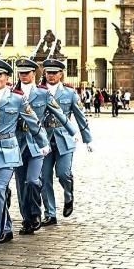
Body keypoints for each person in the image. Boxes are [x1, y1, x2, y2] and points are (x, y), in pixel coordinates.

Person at [0, 59, 46, 248]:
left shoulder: (16, 98)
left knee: (0, 189)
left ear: (7, 77)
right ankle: (6, 227)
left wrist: (43, 143)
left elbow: (33, 122)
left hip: (8, 151)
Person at [13, 57, 67, 234]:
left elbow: (58, 112)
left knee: (33, 181)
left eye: (26, 73)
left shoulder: (43, 94)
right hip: (17, 143)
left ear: (34, 73)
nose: (23, 76)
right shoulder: (11, 93)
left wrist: (73, 132)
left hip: (37, 143)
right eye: (20, 73)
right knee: (21, 184)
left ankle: (35, 213)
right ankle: (26, 219)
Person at [40, 57, 92, 225]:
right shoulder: (38, 92)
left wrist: (87, 139)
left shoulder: (69, 93)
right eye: (48, 73)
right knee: (44, 177)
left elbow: (80, 117)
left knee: (63, 173)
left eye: (54, 73)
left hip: (64, 138)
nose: (51, 76)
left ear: (61, 74)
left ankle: (68, 193)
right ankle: (50, 213)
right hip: (45, 139)